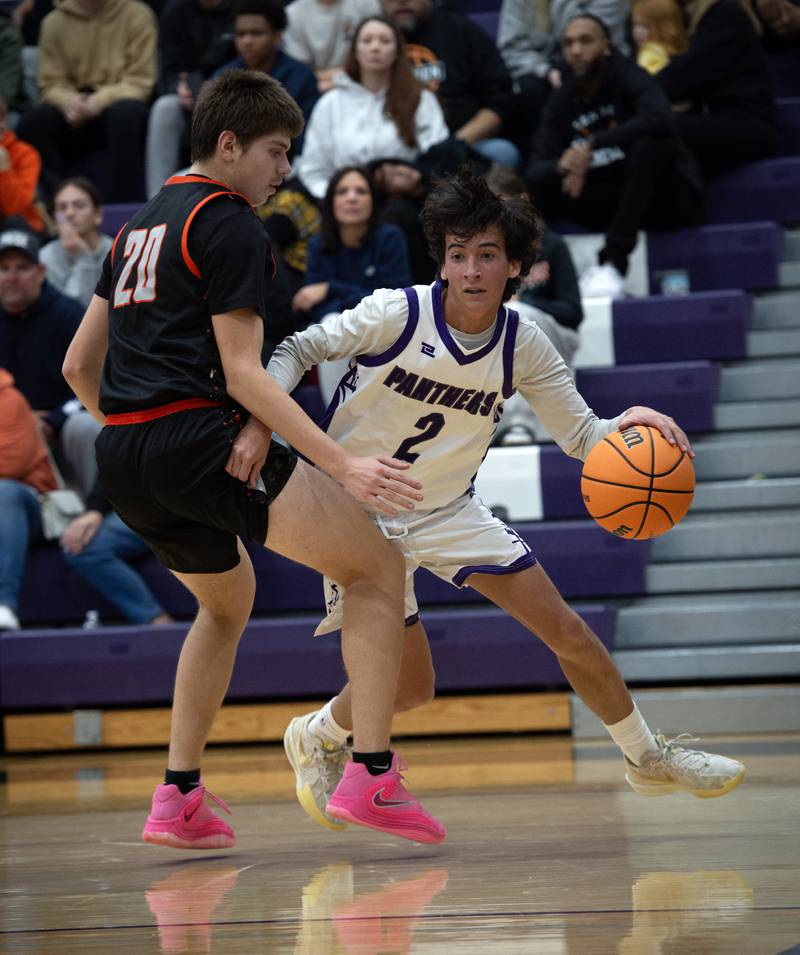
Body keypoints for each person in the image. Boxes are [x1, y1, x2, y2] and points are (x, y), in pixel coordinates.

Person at [267, 170, 746, 835]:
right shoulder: (396, 311)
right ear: (442, 258)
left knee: (568, 630)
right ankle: (318, 734)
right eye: (458, 254)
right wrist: (283, 429)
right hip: (360, 514)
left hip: (448, 509)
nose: (470, 269)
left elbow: (583, 435)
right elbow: (295, 349)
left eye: (486, 254)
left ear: (514, 264)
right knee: (413, 689)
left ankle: (647, 756)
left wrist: (625, 425)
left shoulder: (523, 342)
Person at [62, 69, 445, 849]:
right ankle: (370, 773)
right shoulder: (229, 221)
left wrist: (139, 436)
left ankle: (178, 796)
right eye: (277, 151)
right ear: (229, 144)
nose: (285, 170)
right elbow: (243, 373)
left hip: (125, 454)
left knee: (226, 602)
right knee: (375, 567)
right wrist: (342, 464)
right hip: (201, 441)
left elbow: (75, 366)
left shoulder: (135, 225)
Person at [525, 14, 702, 299]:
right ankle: (537, 278)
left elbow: (661, 118)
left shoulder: (627, 75)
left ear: (607, 46)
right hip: (609, 201)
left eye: (586, 40)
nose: (576, 50)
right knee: (536, 184)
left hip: (663, 200)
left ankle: (612, 263)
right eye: (569, 43)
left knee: (650, 146)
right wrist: (563, 164)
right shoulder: (561, 99)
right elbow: (534, 167)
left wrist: (591, 144)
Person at [294, 14, 449, 201]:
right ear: (355, 50)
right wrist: (336, 197)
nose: (375, 47)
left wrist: (414, 182)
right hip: (341, 201)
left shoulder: (421, 99)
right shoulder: (330, 103)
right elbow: (314, 168)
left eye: (385, 41)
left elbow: (437, 158)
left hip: (404, 200)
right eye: (366, 41)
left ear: (398, 51)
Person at [15, 0, 157, 203]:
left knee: (126, 115)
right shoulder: (53, 22)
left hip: (119, 102)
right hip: (72, 108)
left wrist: (98, 101)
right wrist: (70, 102)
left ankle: (123, 208)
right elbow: (49, 83)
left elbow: (141, 81)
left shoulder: (138, 15)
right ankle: (58, 206)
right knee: (33, 123)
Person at [293, 164, 411, 402]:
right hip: (337, 333)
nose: (352, 198)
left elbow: (398, 299)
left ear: (373, 200)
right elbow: (312, 305)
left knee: (336, 321)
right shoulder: (318, 245)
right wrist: (357, 299)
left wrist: (331, 289)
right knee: (329, 322)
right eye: (343, 191)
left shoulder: (390, 238)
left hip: (384, 328)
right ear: (331, 202)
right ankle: (335, 421)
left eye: (361, 191)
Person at [485, 164, 582, 445]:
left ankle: (518, 423)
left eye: (501, 205)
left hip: (557, 337)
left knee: (514, 315)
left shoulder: (552, 246)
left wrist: (527, 302)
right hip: (501, 340)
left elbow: (573, 312)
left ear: (523, 201)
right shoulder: (484, 255)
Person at [0, 226, 99, 496]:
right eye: (4, 268)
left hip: (59, 424)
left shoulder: (68, 315)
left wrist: (54, 420)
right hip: (6, 426)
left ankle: (94, 511)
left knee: (86, 425)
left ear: (41, 272)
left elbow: (96, 380)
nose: (12, 276)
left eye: (22, 267)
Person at [381, 0, 519, 170]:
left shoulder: (460, 30)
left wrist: (453, 146)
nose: (401, 1)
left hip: (461, 145)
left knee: (502, 153)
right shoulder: (370, 40)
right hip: (388, 153)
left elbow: (500, 100)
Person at [656, 0, 781, 178]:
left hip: (749, 123)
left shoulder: (725, 12)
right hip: (723, 119)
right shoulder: (699, 16)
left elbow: (688, 74)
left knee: (657, 131)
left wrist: (637, 92)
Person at [145, 0, 234, 199]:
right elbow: (168, 69)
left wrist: (221, 89)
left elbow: (248, 59)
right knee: (164, 107)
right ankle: (157, 201)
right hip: (190, 101)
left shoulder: (241, 8)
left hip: (232, 97)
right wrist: (178, 86)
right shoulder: (175, 12)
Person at [60, 479, 175, 626]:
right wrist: (95, 510)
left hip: (197, 502)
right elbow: (112, 465)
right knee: (82, 547)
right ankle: (157, 623)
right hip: (145, 507)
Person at [212, 0, 319, 156]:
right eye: (240, 34)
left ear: (277, 37)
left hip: (287, 166)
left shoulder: (301, 77)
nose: (247, 41)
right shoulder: (222, 77)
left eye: (256, 33)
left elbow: (305, 139)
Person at [0, 365, 57, 631]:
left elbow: (11, 463)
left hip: (35, 507)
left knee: (5, 492)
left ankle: (4, 605)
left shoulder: (9, 400)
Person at [39, 176, 112, 307]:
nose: (69, 213)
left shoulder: (116, 251)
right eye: (62, 208)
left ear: (97, 215)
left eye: (79, 205)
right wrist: (82, 257)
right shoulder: (46, 257)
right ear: (55, 219)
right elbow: (74, 313)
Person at [282, 0, 380, 93]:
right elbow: (299, 73)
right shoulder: (293, 14)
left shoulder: (365, 3)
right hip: (314, 88)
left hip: (362, 82)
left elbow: (379, 53)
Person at [0, 94, 46, 235]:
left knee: (14, 220)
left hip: (22, 229)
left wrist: (4, 170)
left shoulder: (26, 154)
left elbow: (15, 208)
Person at [630, 0, 688, 73]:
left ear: (663, 27)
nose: (637, 31)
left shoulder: (650, 55)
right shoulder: (681, 53)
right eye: (635, 24)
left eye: (645, 26)